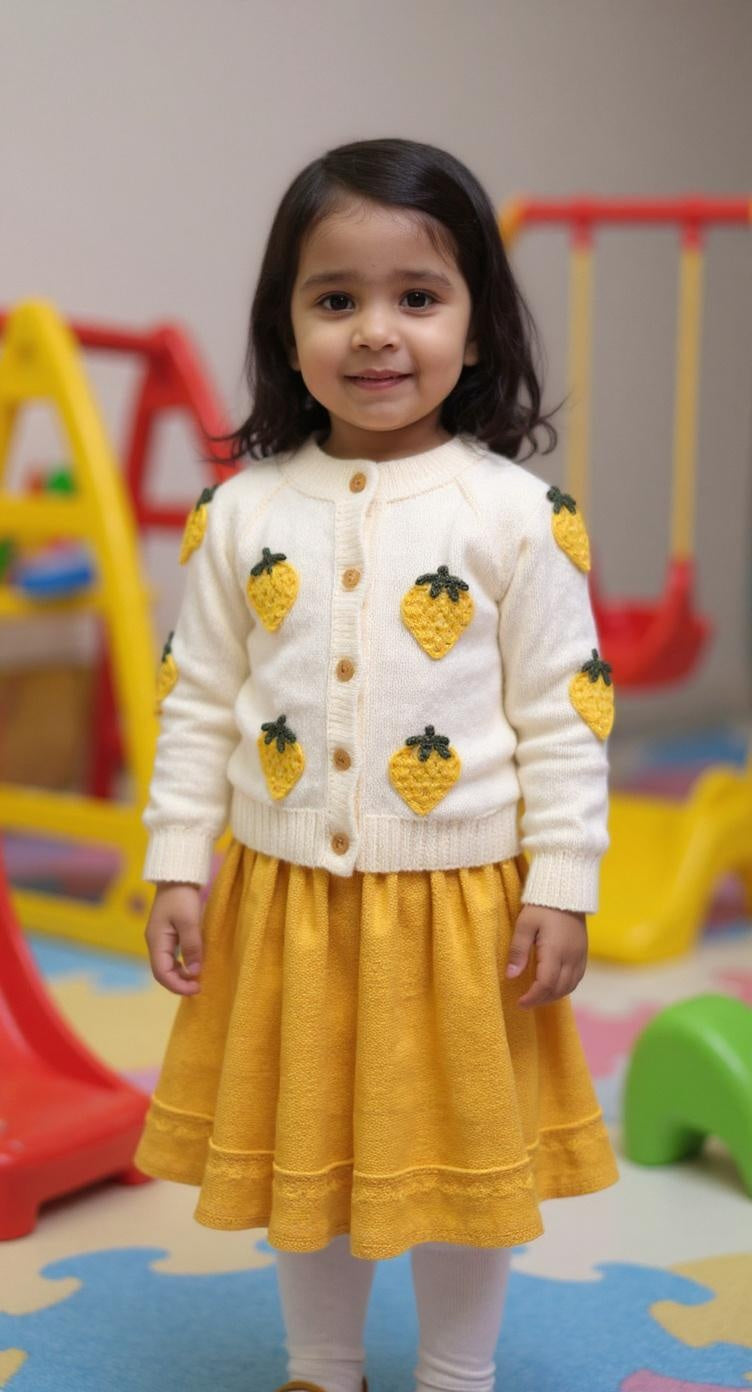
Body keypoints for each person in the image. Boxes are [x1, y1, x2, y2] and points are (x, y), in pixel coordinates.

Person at [135, 137, 619, 1392]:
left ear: (476, 322)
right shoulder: (240, 510)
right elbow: (197, 698)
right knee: (318, 1154)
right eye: (334, 299)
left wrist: (562, 879)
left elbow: (568, 713)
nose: (375, 333)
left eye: (417, 296)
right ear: (284, 325)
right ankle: (320, 1363)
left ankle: (457, 1370)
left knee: (459, 1159)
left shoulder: (516, 513)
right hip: (287, 900)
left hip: (461, 909)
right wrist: (177, 861)